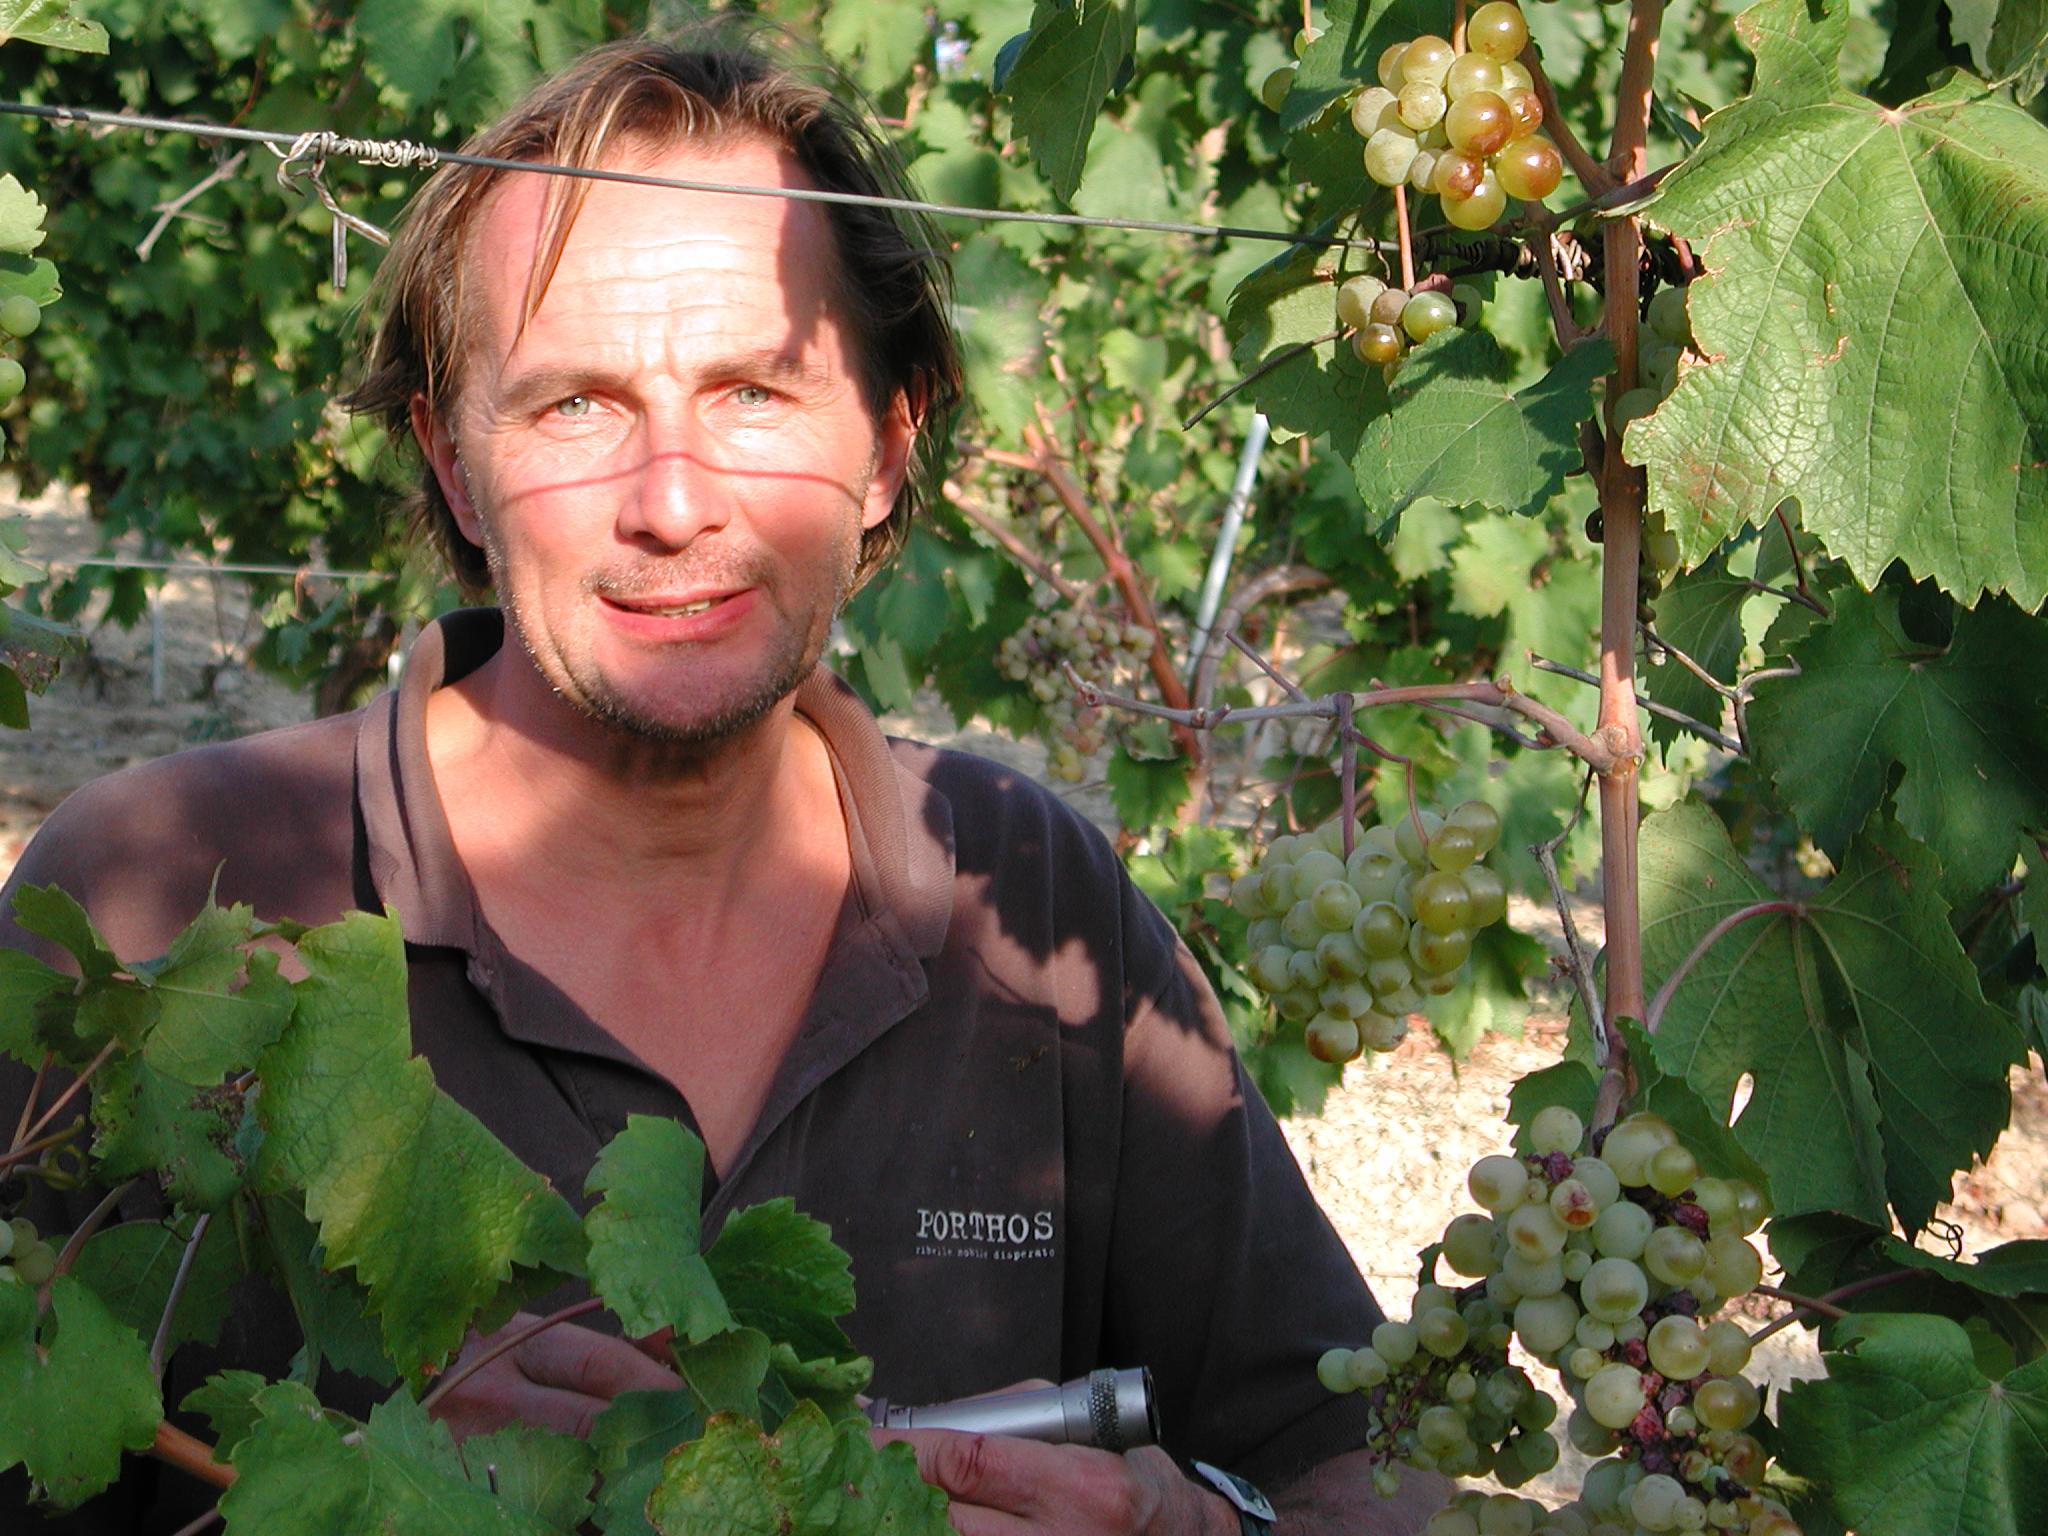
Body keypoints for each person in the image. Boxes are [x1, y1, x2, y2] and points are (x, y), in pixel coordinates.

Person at [0, 31, 1441, 1536]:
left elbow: (1363, 1465)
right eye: (577, 406)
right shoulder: (164, 896)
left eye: (754, 393)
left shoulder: (1034, 899)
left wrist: (1193, 1530)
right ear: (450, 462)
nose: (673, 502)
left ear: (888, 447)